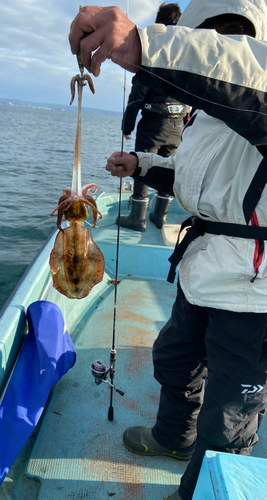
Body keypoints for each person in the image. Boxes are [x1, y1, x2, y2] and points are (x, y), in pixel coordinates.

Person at [69, 2, 267, 500]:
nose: (221, 43)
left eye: (234, 36)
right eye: (212, 34)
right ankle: (174, 439)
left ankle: (196, 492)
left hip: (254, 295)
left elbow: (246, 73)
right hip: (204, 270)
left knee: (229, 417)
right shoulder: (205, 118)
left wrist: (147, 44)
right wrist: (140, 165)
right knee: (175, 360)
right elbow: (195, 176)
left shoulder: (258, 96)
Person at [120, 2, 187, 232]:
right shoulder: (186, 55)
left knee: (142, 166)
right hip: (178, 128)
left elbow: (136, 97)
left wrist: (126, 127)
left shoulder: (154, 51)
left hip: (152, 126)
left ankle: (137, 219)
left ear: (159, 22)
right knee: (169, 167)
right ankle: (160, 217)